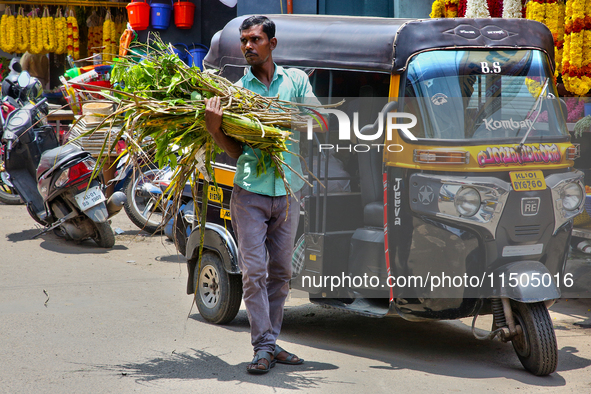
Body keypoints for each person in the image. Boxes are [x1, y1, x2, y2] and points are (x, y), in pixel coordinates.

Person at [204, 15, 320, 374]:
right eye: (244, 41)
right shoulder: (238, 93)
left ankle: (270, 341)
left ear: (272, 44)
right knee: (254, 272)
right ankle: (264, 346)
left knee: (281, 273)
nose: (248, 46)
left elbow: (315, 120)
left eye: (255, 39)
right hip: (250, 192)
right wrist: (214, 129)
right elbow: (237, 152)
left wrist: (279, 120)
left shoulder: (297, 81)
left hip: (288, 190)